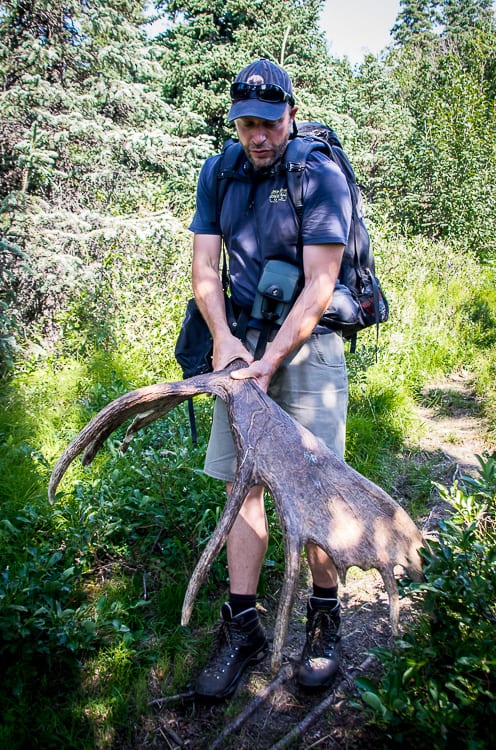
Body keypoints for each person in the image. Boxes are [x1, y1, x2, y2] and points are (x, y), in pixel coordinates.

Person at [188, 58, 352, 699]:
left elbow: (320, 283)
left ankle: (324, 618)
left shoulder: (318, 173)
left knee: (316, 485)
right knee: (241, 483)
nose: (257, 136)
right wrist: (226, 340)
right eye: (246, 124)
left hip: (309, 351)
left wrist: (272, 359)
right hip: (240, 350)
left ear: (290, 113)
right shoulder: (220, 170)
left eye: (268, 122)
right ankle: (242, 627)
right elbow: (205, 265)